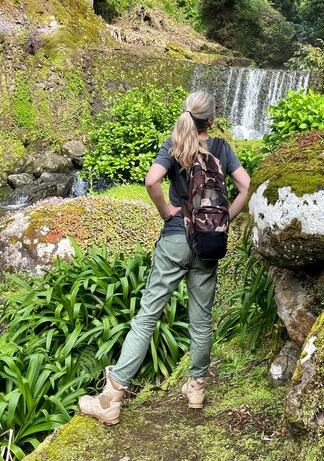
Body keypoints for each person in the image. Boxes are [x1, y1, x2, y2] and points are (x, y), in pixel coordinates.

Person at [78, 91, 251, 424]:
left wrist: (166, 211)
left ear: (187, 115)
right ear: (211, 121)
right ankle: (196, 387)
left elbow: (151, 180)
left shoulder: (175, 145)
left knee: (148, 316)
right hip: (207, 243)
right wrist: (223, 220)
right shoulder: (222, 149)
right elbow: (246, 185)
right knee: (201, 322)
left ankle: (110, 398)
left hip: (174, 239)